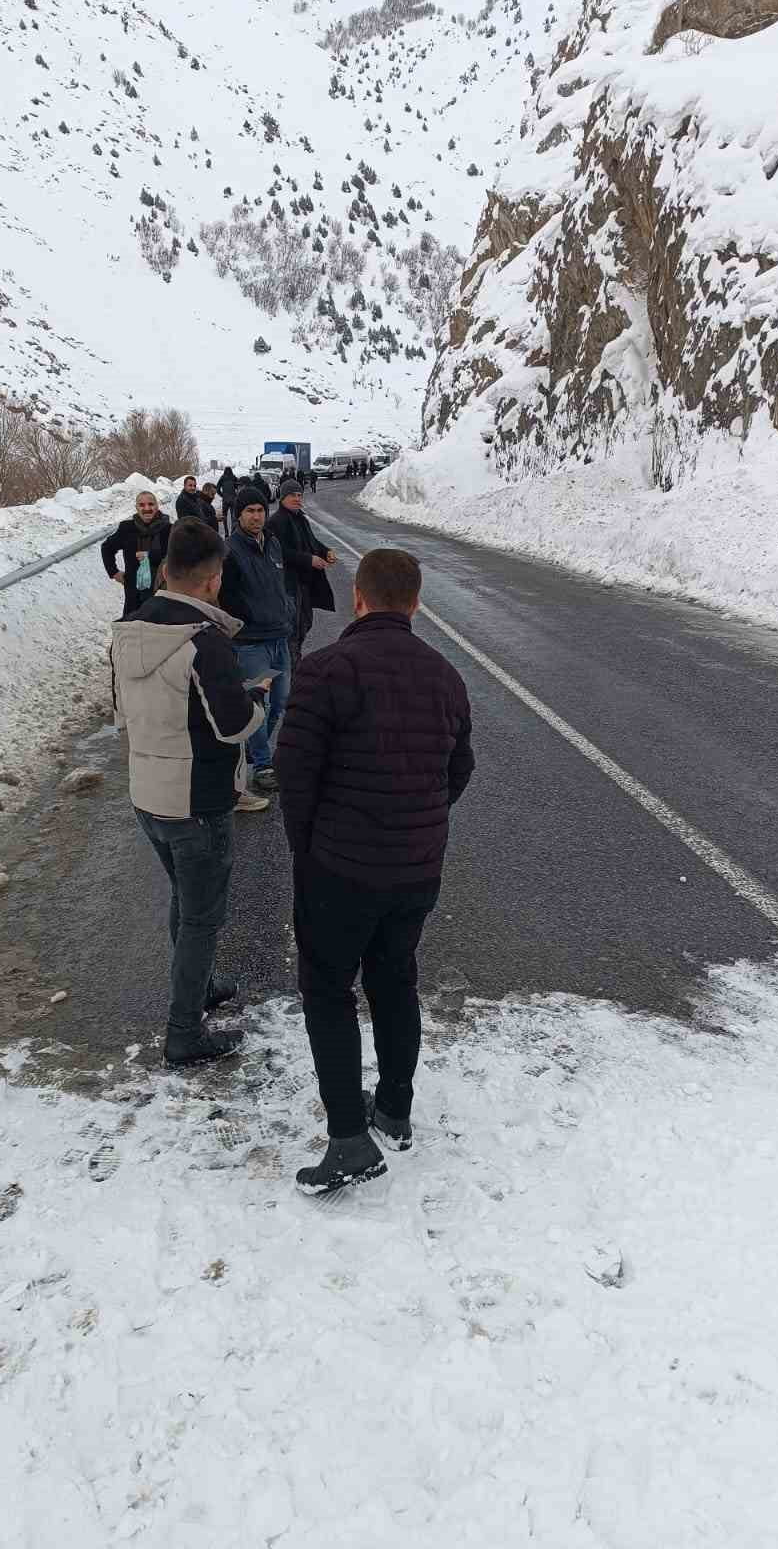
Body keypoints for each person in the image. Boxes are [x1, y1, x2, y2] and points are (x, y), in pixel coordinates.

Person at [275, 548, 475, 1194]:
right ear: (414, 602)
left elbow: (296, 778)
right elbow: (458, 771)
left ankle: (348, 1140)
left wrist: (308, 850)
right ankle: (394, 1107)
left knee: (329, 991)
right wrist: (416, 819)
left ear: (357, 598)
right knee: (395, 982)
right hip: (416, 870)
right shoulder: (446, 675)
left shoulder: (325, 670)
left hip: (340, 868)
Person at [111, 521, 272, 1068]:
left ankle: (197, 988)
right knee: (202, 916)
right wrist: (258, 702)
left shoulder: (129, 631)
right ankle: (184, 1033)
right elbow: (231, 726)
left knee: (185, 899)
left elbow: (124, 713)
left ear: (164, 572)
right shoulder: (204, 642)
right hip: (197, 800)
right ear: (211, 581)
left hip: (146, 793)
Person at [218, 487, 293, 795]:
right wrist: (250, 616)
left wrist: (286, 608)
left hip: (279, 637)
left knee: (281, 701)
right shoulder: (230, 550)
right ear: (239, 515)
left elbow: (280, 583)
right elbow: (227, 595)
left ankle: (254, 747)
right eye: (249, 510)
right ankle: (263, 765)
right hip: (251, 643)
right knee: (258, 706)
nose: (256, 516)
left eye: (260, 510)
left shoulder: (273, 544)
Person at [266, 479, 336, 670]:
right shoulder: (276, 522)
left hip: (304, 583)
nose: (297, 499)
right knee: (292, 631)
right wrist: (309, 560)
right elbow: (280, 553)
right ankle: (290, 671)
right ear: (282, 498)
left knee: (305, 624)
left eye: (299, 495)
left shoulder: (300, 519)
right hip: (288, 585)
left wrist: (325, 551)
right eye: (293, 495)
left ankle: (293, 664)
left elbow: (311, 542)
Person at [101, 489, 172, 618]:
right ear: (136, 507)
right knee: (132, 631)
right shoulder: (126, 529)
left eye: (151, 504)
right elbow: (107, 548)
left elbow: (175, 556)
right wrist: (114, 572)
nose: (147, 508)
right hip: (134, 594)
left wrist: (150, 556)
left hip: (161, 590)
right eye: (142, 505)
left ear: (157, 506)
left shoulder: (169, 529)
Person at [217, 466, 239, 536]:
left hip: (225, 500)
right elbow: (238, 486)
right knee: (233, 517)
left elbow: (217, 489)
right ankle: (233, 531)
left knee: (224, 516)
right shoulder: (234, 477)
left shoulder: (222, 478)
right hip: (233, 500)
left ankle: (226, 532)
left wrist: (222, 495)